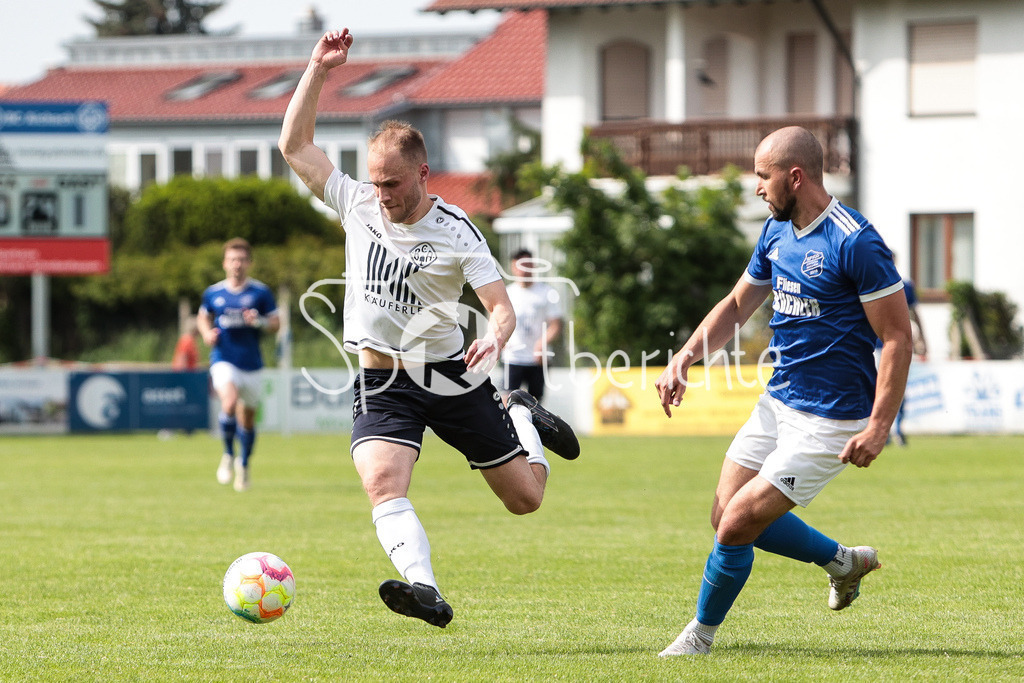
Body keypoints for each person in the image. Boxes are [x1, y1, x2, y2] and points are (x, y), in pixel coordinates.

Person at [278, 28, 580, 629]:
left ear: (423, 172)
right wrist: (317, 69)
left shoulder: (457, 230)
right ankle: (425, 590)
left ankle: (521, 412)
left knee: (526, 500)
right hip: (382, 378)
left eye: (393, 183)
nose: (382, 194)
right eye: (375, 181)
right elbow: (294, 145)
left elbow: (500, 305)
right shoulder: (357, 203)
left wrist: (495, 338)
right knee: (382, 482)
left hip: (450, 377)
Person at [654, 126, 912, 656]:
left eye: (761, 176)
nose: (756, 188)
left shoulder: (854, 241)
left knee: (738, 523)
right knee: (724, 512)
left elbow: (897, 337)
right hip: (779, 400)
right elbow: (736, 304)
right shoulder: (777, 231)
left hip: (831, 418)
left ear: (795, 177)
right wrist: (686, 355)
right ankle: (844, 561)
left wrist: (879, 426)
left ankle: (698, 639)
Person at [197, 238, 280, 493]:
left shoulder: (260, 293)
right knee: (229, 403)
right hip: (223, 359)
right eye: (233, 259)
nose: (237, 264)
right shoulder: (214, 293)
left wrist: (259, 323)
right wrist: (206, 334)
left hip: (252, 364)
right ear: (225, 263)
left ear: (249, 263)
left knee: (247, 421)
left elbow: (275, 323)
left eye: (242, 260)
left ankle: (243, 464)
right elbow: (203, 317)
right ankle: (227, 454)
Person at [501, 249, 563, 403]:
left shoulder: (546, 292)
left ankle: (531, 427)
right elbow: (497, 321)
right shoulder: (507, 293)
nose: (524, 270)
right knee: (506, 399)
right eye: (520, 265)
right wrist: (500, 341)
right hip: (513, 357)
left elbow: (555, 325)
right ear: (513, 267)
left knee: (535, 405)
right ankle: (508, 427)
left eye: (528, 265)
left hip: (538, 359)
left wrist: (541, 343)